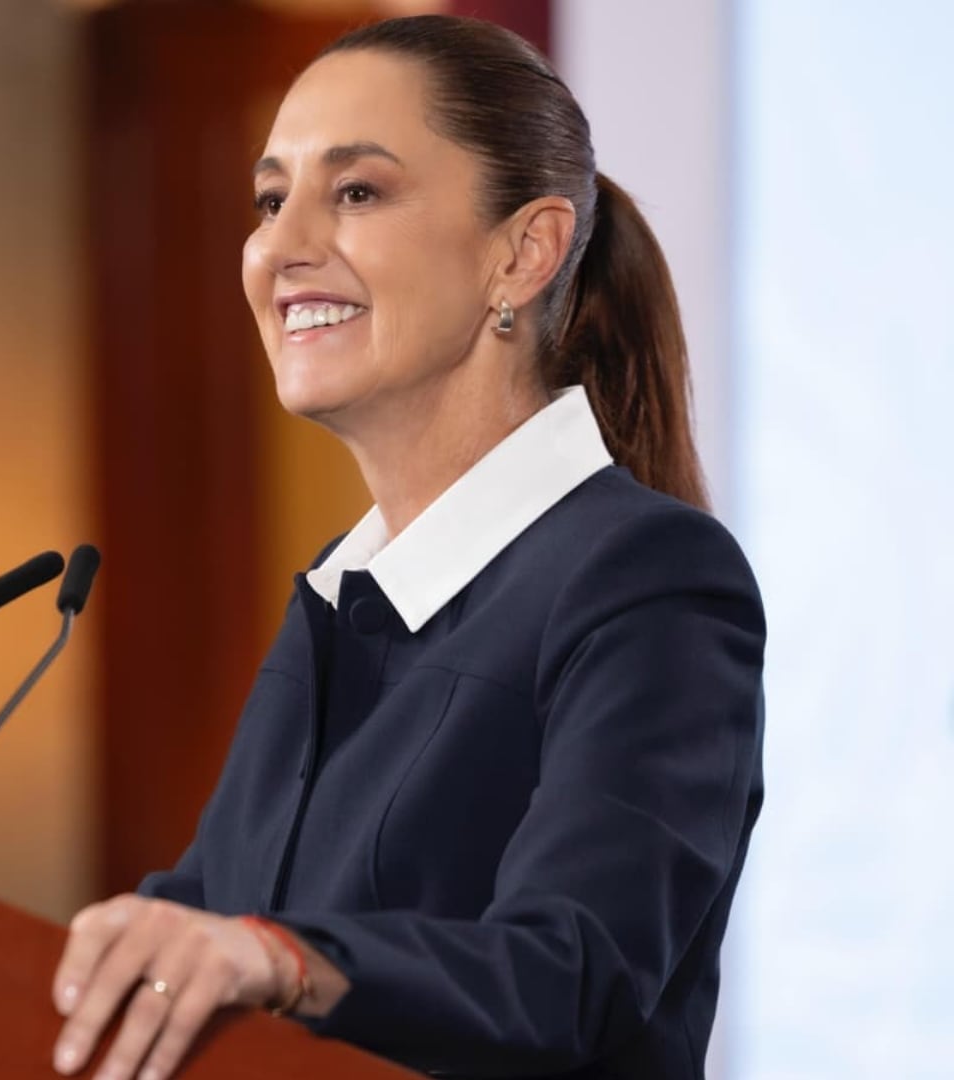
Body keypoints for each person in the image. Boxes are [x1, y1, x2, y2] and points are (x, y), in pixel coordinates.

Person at [49, 15, 765, 1080]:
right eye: (269, 200)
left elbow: (570, 972)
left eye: (356, 191)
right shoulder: (336, 603)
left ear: (523, 253)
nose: (280, 248)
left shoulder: (648, 580)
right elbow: (200, 923)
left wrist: (279, 961)